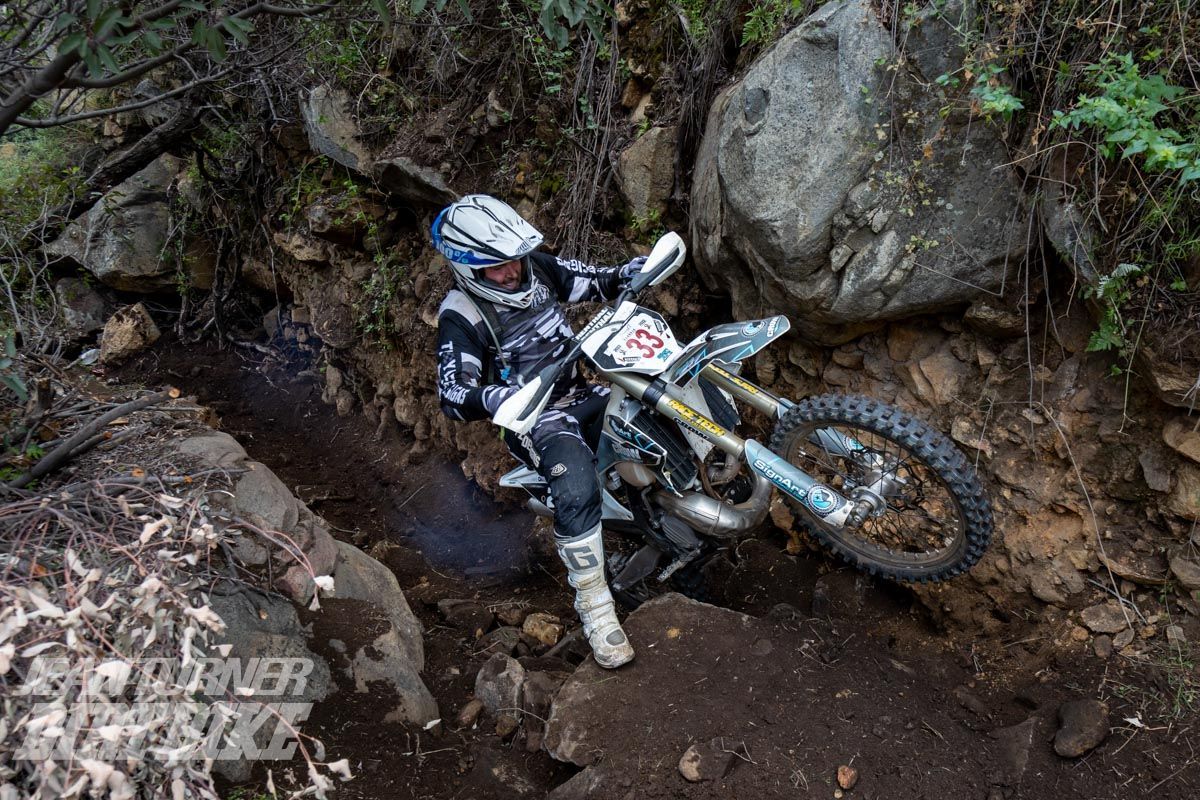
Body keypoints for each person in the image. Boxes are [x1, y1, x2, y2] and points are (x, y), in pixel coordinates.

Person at [431, 194, 646, 669]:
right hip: (535, 418)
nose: (513, 271)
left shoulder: (537, 268)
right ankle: (597, 612)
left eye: (515, 259)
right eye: (497, 266)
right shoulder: (461, 315)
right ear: (468, 268)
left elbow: (594, 280)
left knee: (652, 405)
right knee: (577, 487)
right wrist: (496, 397)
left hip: (583, 390)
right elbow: (452, 391)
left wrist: (632, 272)